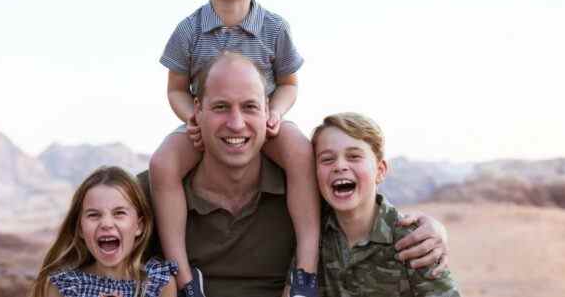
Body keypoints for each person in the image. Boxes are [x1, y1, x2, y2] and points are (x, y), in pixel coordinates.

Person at [140, 52, 449, 297]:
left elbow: (362, 212)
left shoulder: (304, 190)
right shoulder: (153, 193)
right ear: (198, 109)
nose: (236, 123)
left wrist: (433, 229)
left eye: (249, 107)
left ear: (267, 111)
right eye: (221, 107)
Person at [150, 0, 320, 297]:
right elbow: (176, 89)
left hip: (264, 122)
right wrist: (190, 118)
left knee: (299, 151)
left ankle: (307, 269)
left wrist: (276, 111)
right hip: (207, 124)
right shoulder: (188, 30)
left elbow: (290, 83)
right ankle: (183, 274)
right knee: (163, 163)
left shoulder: (275, 28)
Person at [312, 113, 461, 297]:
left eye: (354, 156)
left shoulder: (413, 240)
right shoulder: (310, 232)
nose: (339, 166)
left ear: (380, 171)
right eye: (327, 159)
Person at [30, 166, 177, 297]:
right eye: (94, 215)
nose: (106, 224)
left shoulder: (159, 283)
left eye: (119, 213)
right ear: (80, 228)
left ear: (139, 226)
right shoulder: (63, 286)